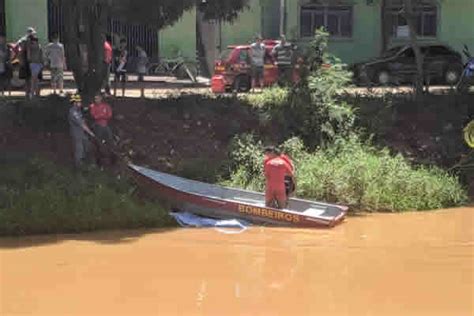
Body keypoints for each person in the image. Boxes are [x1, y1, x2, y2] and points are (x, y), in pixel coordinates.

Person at [68, 94, 95, 168]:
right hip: (76, 134)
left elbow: (84, 117)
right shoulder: (73, 112)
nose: (80, 103)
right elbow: (82, 124)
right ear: (74, 103)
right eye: (79, 102)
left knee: (87, 145)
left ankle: (86, 161)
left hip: (82, 133)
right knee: (79, 149)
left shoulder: (78, 111)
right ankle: (78, 166)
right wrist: (90, 133)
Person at [89, 94, 113, 166]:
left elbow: (109, 115)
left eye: (97, 98)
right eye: (95, 99)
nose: (96, 100)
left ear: (101, 99)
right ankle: (98, 159)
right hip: (98, 126)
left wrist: (101, 116)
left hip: (105, 125)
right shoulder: (93, 106)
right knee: (98, 142)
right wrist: (102, 115)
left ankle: (110, 155)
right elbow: (94, 116)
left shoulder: (106, 106)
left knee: (110, 139)